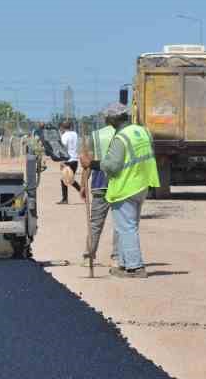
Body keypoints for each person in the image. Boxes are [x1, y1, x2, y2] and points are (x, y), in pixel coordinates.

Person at [102, 104, 159, 278]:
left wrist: (98, 164)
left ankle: (135, 267)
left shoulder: (121, 138)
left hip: (125, 187)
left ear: (114, 119)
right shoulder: (143, 132)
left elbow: (113, 166)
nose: (106, 120)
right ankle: (124, 264)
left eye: (107, 117)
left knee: (127, 228)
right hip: (142, 184)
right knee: (124, 227)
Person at [81, 110, 118, 267]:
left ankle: (88, 256)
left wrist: (83, 184)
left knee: (95, 223)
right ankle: (117, 257)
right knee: (120, 223)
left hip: (99, 183)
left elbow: (87, 163)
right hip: (120, 183)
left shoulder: (95, 136)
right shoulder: (123, 134)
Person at [57, 120, 80, 204]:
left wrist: (61, 161)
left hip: (67, 161)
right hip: (75, 160)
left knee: (65, 179)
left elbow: (63, 148)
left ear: (62, 127)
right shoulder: (75, 134)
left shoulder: (64, 136)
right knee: (69, 179)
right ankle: (81, 191)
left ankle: (65, 199)